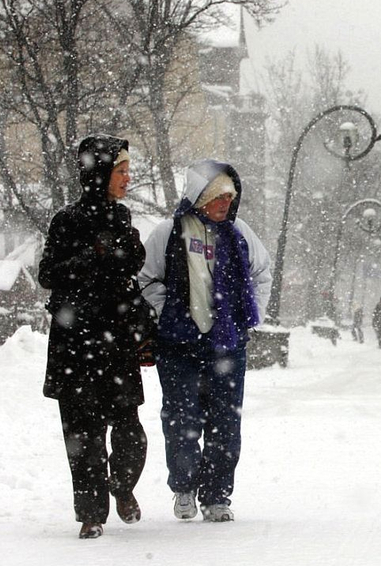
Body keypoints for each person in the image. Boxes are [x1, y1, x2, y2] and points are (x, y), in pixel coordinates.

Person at [138, 160, 272, 523]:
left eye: (230, 194)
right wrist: (171, 314)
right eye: (218, 195)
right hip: (179, 347)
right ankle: (184, 487)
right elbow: (147, 280)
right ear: (199, 197)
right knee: (181, 420)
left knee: (226, 423)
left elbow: (262, 272)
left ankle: (217, 495)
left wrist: (248, 317)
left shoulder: (239, 232)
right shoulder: (169, 232)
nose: (226, 201)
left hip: (228, 345)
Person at [39, 135, 152, 540]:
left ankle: (122, 487)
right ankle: (91, 513)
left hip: (117, 341)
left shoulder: (122, 217)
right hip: (76, 344)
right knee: (83, 435)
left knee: (129, 433)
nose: (127, 177)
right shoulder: (66, 221)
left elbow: (130, 271)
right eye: (121, 171)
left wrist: (142, 328)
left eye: (126, 171)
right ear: (99, 173)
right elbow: (48, 275)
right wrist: (92, 255)